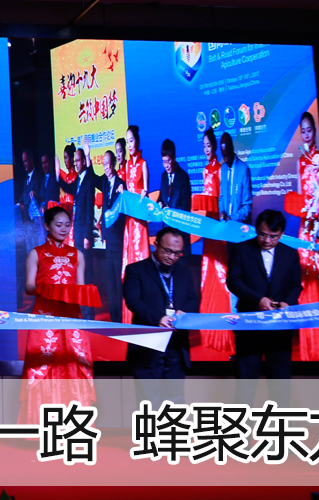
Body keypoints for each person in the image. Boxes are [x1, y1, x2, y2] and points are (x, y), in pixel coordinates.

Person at [20, 206, 94, 424]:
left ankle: (76, 424)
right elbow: (29, 287)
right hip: (45, 316)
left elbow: (80, 287)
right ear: (47, 226)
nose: (64, 229)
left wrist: (82, 293)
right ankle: (43, 424)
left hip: (72, 316)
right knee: (43, 363)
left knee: (74, 364)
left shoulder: (77, 255)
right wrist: (48, 289)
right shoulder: (36, 253)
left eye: (67, 225)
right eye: (58, 225)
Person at [227, 210, 302, 405]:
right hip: (249, 324)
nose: (267, 240)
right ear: (256, 229)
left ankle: (280, 423)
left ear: (282, 234)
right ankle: (242, 423)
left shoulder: (290, 253)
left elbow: (295, 285)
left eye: (273, 236)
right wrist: (258, 300)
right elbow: (233, 281)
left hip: (280, 326)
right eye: (262, 234)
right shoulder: (241, 250)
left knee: (280, 380)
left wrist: (287, 302)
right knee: (246, 380)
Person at [123, 227, 198, 405]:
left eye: (177, 253)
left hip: (176, 344)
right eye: (167, 251)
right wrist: (158, 318)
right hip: (148, 344)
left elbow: (193, 299)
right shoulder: (136, 270)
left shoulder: (184, 272)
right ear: (155, 244)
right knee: (149, 402)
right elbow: (133, 301)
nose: (172, 257)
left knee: (175, 400)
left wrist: (183, 313)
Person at [292, 112, 319, 362]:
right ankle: (311, 342)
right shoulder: (301, 160)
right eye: (303, 130)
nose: (306, 134)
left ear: (315, 131)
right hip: (306, 224)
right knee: (307, 275)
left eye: (310, 130)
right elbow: (301, 191)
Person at [197, 129, 235, 355]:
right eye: (204, 146)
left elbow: (222, 198)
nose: (206, 150)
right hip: (207, 226)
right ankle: (211, 334)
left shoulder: (221, 169)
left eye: (209, 146)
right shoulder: (204, 169)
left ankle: (226, 335)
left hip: (218, 226)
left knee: (221, 273)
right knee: (208, 271)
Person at [120, 127, 151, 325]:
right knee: (130, 260)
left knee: (140, 258)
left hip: (139, 220)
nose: (129, 145)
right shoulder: (125, 166)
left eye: (131, 141)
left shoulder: (143, 163)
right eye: (127, 141)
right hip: (129, 221)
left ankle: (146, 308)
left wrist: (144, 194)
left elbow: (146, 191)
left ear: (137, 142)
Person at [100, 149, 125, 323]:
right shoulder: (104, 183)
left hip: (118, 239)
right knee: (110, 280)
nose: (106, 167)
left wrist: (123, 193)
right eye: (104, 164)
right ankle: (113, 316)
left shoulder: (121, 184)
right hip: (108, 239)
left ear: (114, 164)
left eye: (108, 164)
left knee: (117, 280)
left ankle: (120, 317)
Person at [218, 133, 253, 225]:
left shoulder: (243, 169)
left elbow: (247, 206)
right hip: (225, 225)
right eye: (223, 156)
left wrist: (232, 218)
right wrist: (222, 212)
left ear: (232, 149)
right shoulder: (223, 168)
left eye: (227, 156)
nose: (225, 160)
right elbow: (221, 197)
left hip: (240, 226)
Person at [158, 139, 191, 212]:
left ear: (174, 158)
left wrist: (170, 210)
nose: (166, 166)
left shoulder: (183, 177)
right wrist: (160, 203)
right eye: (164, 162)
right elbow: (161, 198)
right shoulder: (164, 176)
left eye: (168, 161)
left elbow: (186, 207)